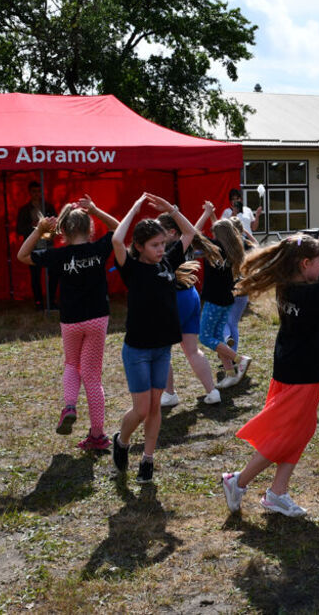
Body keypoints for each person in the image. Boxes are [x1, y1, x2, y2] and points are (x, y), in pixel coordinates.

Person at [221, 231, 319, 517]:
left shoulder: (287, 282)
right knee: (287, 435)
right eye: (318, 262)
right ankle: (237, 481)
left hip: (289, 367)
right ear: (304, 263)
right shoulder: (314, 293)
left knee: (301, 429)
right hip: (303, 373)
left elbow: (315, 266)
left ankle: (277, 493)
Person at [17, 196, 119, 449]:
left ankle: (70, 406)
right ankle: (97, 435)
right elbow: (119, 227)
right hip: (97, 318)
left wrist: (40, 230)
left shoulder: (58, 255)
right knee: (93, 377)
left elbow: (23, 255)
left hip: (71, 320)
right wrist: (96, 209)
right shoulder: (99, 248)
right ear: (91, 228)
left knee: (72, 364)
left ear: (62, 231)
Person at [110, 193, 197, 483]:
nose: (161, 250)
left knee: (156, 407)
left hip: (162, 349)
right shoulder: (132, 269)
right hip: (137, 351)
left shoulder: (167, 263)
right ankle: (122, 441)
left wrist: (171, 208)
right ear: (139, 247)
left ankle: (148, 459)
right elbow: (115, 240)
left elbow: (189, 232)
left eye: (163, 244)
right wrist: (134, 207)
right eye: (155, 245)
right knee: (141, 408)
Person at [157, 204, 224, 407]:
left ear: (171, 232)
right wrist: (204, 214)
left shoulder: (168, 248)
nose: (156, 236)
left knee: (162, 350)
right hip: (191, 295)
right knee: (192, 350)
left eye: (160, 231)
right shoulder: (185, 242)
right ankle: (212, 391)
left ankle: (169, 393)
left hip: (177, 299)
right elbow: (192, 229)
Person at [199, 219, 253, 389]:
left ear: (219, 236)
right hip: (226, 300)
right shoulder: (233, 249)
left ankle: (239, 360)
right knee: (217, 337)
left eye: (214, 234)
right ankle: (230, 373)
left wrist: (207, 214)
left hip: (215, 301)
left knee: (205, 337)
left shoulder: (215, 249)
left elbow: (193, 233)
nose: (212, 237)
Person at [16, 181, 59, 309]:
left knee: (54, 273)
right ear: (29, 193)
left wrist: (46, 231)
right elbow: (19, 229)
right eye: (34, 191)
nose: (36, 194)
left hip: (48, 244)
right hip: (32, 246)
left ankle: (51, 301)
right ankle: (38, 302)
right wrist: (34, 228)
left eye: (38, 191)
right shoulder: (24, 210)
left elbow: (57, 224)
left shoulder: (48, 207)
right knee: (35, 276)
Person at [221, 216, 253, 353]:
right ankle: (231, 351)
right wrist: (247, 233)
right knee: (233, 322)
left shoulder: (227, 246)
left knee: (224, 320)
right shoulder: (245, 243)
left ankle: (228, 343)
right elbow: (257, 245)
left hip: (228, 287)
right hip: (243, 288)